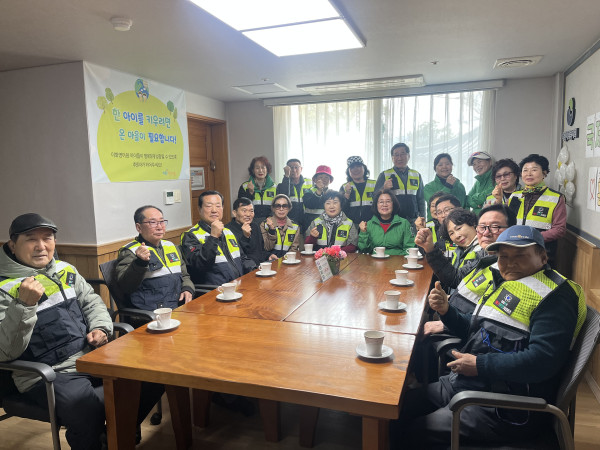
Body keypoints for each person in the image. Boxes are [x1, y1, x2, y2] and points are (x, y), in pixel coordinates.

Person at [394, 225, 586, 448]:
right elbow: (476, 328)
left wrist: (479, 365)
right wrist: (447, 312)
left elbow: (542, 361)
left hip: (505, 405)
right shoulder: (511, 282)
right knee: (400, 406)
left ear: (543, 257)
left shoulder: (555, 297)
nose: (510, 263)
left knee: (417, 431)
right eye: (504, 256)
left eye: (520, 255)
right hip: (468, 384)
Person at [0, 213, 162, 449]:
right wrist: (23, 305)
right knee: (84, 405)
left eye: (47, 238)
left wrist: (100, 327)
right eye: (31, 239)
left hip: (91, 357)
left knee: (154, 375)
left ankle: (115, 435)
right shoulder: (4, 287)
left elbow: (92, 302)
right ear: (13, 245)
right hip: (48, 373)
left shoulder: (65, 269)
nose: (41, 246)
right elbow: (5, 351)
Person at [415, 203, 517, 289]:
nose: (457, 235)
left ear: (473, 224)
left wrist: (430, 249)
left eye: (459, 228)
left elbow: (455, 278)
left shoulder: (482, 250)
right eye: (451, 233)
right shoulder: (461, 249)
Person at [116, 205, 195, 312]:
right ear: (139, 227)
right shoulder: (131, 251)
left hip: (179, 305)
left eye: (162, 221)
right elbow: (126, 286)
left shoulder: (170, 246)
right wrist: (139, 263)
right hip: (154, 312)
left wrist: (187, 288)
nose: (159, 227)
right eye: (152, 222)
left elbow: (184, 275)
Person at [182, 190, 257, 285]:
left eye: (218, 206)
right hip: (215, 289)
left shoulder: (227, 232)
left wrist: (255, 270)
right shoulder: (190, 235)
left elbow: (242, 258)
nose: (214, 210)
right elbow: (199, 266)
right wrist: (213, 237)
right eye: (209, 206)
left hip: (238, 285)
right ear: (199, 209)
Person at [507, 154, 566, 265]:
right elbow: (507, 222)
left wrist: (533, 237)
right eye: (525, 170)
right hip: (514, 249)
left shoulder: (556, 197)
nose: (529, 174)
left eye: (534, 170)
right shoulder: (514, 196)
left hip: (542, 252)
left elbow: (559, 229)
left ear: (544, 173)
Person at [374, 143, 426, 224]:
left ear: (408, 156)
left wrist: (423, 218)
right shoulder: (384, 175)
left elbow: (421, 200)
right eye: (396, 155)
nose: (399, 158)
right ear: (392, 158)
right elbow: (375, 197)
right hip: (393, 220)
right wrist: (384, 188)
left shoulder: (416, 175)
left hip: (413, 220)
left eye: (402, 154)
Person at [357, 189, 414, 255]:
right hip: (375, 260)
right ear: (376, 205)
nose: (384, 205)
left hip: (398, 260)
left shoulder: (404, 223)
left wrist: (398, 260)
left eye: (388, 201)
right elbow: (364, 250)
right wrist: (363, 233)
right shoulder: (368, 224)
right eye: (381, 202)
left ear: (393, 204)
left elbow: (410, 248)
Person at [226, 197, 275, 265]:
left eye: (251, 211)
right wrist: (245, 237)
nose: (248, 215)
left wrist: (268, 255)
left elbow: (260, 251)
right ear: (234, 213)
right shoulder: (227, 230)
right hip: (245, 269)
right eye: (244, 211)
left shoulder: (255, 226)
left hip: (259, 267)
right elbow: (238, 257)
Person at [423, 153, 467, 219]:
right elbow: (436, 203)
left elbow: (464, 206)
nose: (444, 167)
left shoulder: (459, 185)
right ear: (435, 168)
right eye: (440, 165)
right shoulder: (428, 187)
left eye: (447, 164)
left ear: (452, 166)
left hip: (456, 222)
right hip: (435, 222)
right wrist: (448, 186)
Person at [276, 158, 312, 232]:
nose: (294, 170)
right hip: (289, 222)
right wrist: (286, 176)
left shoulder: (309, 183)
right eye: (291, 168)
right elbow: (283, 197)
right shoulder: (283, 185)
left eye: (296, 167)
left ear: (301, 169)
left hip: (307, 221)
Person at [260, 194, 302, 258]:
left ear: (289, 208)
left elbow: (294, 249)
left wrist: (286, 260)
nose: (281, 209)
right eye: (278, 206)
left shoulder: (295, 226)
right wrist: (271, 231)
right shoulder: (264, 224)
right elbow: (267, 248)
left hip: (288, 261)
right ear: (273, 208)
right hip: (270, 260)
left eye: (285, 206)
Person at [237, 156, 277, 222]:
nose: (260, 170)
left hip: (270, 222)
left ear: (267, 169)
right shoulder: (244, 186)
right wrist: (250, 193)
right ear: (253, 170)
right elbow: (241, 208)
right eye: (257, 168)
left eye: (263, 167)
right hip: (251, 222)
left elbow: (278, 207)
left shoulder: (274, 187)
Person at [340, 156, 376, 225]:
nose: (355, 169)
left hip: (371, 225)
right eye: (352, 167)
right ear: (348, 171)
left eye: (358, 166)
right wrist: (347, 194)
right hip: (351, 226)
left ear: (364, 168)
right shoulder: (344, 187)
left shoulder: (374, 184)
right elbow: (341, 210)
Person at [302, 165, 335, 232]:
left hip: (328, 226)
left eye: (326, 177)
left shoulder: (333, 193)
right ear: (315, 179)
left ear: (330, 180)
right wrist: (318, 191)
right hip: (311, 225)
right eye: (321, 177)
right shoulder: (309, 191)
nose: (324, 179)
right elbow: (310, 205)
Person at [465, 151, 494, 216]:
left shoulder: (497, 176)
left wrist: (475, 197)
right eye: (474, 164)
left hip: (489, 218)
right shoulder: (478, 181)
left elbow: (490, 194)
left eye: (479, 162)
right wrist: (476, 204)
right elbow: (467, 198)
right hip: (476, 218)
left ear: (490, 161)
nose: (477, 166)